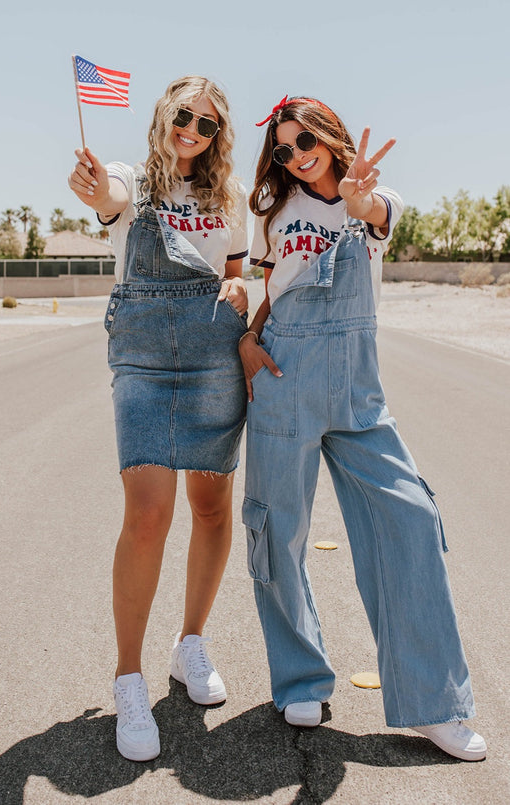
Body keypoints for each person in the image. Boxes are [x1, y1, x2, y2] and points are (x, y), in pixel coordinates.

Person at [239, 95, 486, 762]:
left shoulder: (376, 200)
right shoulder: (270, 211)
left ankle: (434, 702)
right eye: (282, 149)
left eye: (303, 140)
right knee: (276, 530)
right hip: (281, 380)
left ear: (329, 135)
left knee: (407, 519)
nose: (294, 155)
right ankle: (300, 678)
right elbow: (269, 286)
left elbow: (373, 215)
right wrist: (247, 342)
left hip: (356, 391)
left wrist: (357, 200)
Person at [68, 76, 249, 762]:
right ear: (162, 115)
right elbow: (102, 196)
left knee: (209, 508)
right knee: (148, 514)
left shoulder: (226, 198)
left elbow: (235, 269)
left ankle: (190, 643)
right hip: (142, 367)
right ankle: (128, 676)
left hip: (212, 360)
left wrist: (236, 282)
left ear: (217, 137)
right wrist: (90, 187)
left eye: (207, 126)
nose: (192, 132)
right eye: (183, 117)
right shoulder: (130, 181)